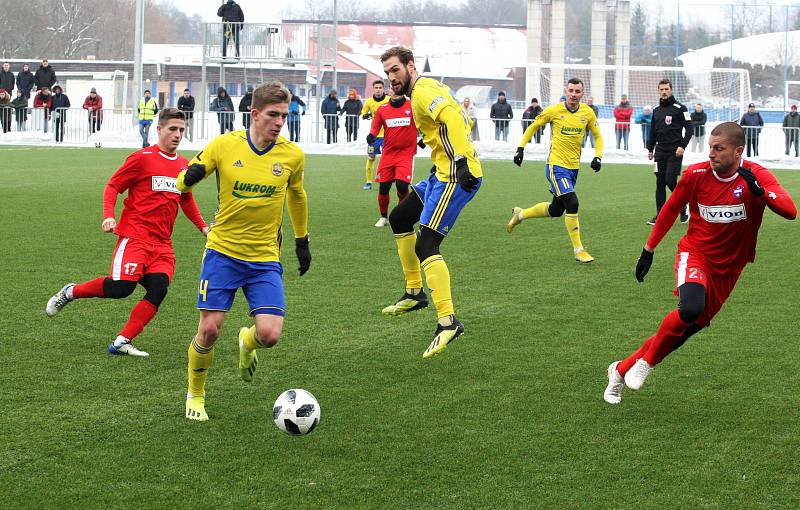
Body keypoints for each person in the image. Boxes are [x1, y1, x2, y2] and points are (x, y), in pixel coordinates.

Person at [603, 122, 797, 405]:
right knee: (690, 307)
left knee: (680, 335)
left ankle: (619, 370)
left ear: (738, 151)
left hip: (730, 268)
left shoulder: (756, 176)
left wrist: (761, 193)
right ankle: (647, 363)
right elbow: (670, 210)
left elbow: (790, 211)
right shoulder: (696, 174)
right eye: (710, 147)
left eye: (719, 149)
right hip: (696, 254)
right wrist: (648, 249)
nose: (712, 154)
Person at [176, 81, 310, 421]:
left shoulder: (292, 155)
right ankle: (196, 394)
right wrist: (188, 177)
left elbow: (297, 195)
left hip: (264, 258)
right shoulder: (224, 145)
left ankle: (246, 343)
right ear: (254, 114)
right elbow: (183, 181)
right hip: (222, 252)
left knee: (270, 335)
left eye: (285, 115)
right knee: (208, 330)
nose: (280, 122)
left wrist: (302, 240)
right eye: (273, 115)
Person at [45, 108, 208, 357]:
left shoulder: (185, 166)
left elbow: (186, 199)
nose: (177, 135)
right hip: (135, 237)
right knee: (122, 288)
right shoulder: (142, 158)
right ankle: (71, 292)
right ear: (159, 129)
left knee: (159, 288)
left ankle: (122, 341)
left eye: (182, 130)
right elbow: (114, 185)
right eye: (172, 129)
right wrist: (108, 215)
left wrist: (203, 226)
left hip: (162, 244)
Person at [379, 46, 483, 359]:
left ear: (410, 66)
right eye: (387, 73)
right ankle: (414, 293)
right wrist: (435, 140)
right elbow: (458, 118)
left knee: (426, 245)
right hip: (441, 173)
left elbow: (452, 116)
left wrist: (462, 159)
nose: (391, 78)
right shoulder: (427, 90)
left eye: (395, 70)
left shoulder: (422, 91)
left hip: (455, 175)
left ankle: (448, 323)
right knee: (399, 217)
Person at [507, 78, 603, 264]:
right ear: (566, 91)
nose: (574, 94)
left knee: (555, 210)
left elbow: (598, 136)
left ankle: (520, 214)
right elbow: (533, 126)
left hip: (574, 168)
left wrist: (598, 156)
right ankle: (579, 250)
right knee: (573, 203)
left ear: (582, 93)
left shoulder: (587, 113)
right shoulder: (554, 110)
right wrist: (520, 149)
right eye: (571, 91)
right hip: (556, 166)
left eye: (577, 91)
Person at [647, 79, 692, 226]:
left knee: (670, 181)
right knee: (659, 183)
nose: (664, 92)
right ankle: (660, 216)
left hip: (675, 151)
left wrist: (682, 146)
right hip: (660, 151)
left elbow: (689, 129)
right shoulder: (656, 110)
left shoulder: (680, 108)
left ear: (671, 90)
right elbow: (653, 131)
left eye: (666, 89)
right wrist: (650, 148)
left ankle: (683, 205)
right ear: (658, 91)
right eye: (661, 89)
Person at [369, 92, 417, 227]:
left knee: (402, 186)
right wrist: (371, 135)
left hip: (406, 154)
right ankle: (383, 217)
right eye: (392, 88)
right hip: (388, 154)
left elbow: (424, 122)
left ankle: (401, 215)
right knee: (384, 187)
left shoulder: (412, 106)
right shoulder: (382, 109)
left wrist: (425, 139)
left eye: (397, 89)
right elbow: (375, 127)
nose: (395, 92)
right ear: (389, 91)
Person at [360, 80, 390, 189]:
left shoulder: (389, 100)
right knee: (371, 157)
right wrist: (365, 115)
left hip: (388, 135)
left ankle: (386, 179)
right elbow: (363, 113)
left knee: (388, 158)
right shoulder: (369, 102)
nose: (378, 90)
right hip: (374, 135)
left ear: (383, 89)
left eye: (380, 88)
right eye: (376, 87)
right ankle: (368, 182)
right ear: (373, 89)